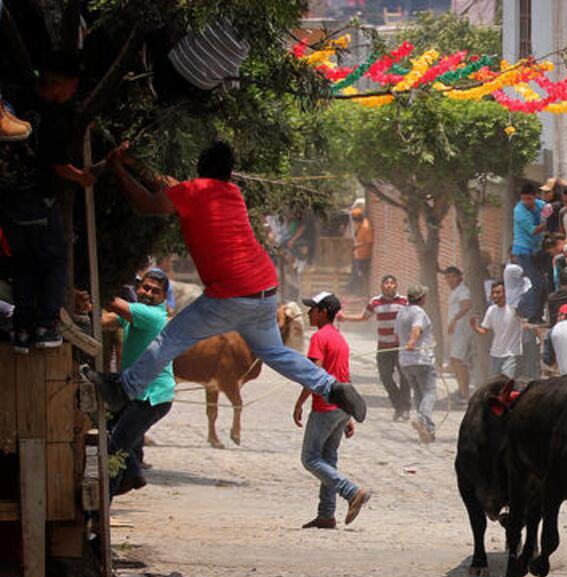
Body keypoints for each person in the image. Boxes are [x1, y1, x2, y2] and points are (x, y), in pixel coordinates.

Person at [85, 141, 367, 422]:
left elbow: (147, 203)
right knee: (274, 352)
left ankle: (123, 388)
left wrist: (117, 168)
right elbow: (170, 185)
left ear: (199, 168)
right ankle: (332, 386)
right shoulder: (231, 193)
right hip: (264, 290)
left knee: (170, 338)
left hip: (230, 294)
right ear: (229, 174)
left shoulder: (191, 192)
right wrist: (132, 163)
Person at [2, 52, 95, 352]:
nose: (72, 95)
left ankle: (22, 331)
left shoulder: (11, 96)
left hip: (7, 203)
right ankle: (45, 326)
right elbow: (58, 166)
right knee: (54, 261)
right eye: (71, 88)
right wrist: (81, 178)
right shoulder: (52, 118)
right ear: (59, 84)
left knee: (24, 265)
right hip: (37, 202)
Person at [293, 291, 370, 528]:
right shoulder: (339, 338)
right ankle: (326, 514)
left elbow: (314, 374)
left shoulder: (319, 338)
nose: (308, 313)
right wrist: (347, 416)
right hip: (340, 407)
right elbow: (343, 376)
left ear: (323, 312)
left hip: (325, 406)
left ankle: (352, 491)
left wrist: (299, 402)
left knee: (310, 458)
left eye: (312, 309)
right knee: (328, 458)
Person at [101, 270, 175, 498]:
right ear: (138, 288)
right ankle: (133, 474)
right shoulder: (138, 313)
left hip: (151, 397)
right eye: (145, 288)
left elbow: (112, 304)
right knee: (113, 435)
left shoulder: (151, 315)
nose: (149, 293)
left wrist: (91, 289)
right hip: (134, 391)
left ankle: (103, 507)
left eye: (155, 291)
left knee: (114, 449)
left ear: (163, 297)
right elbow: (107, 320)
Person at [341, 275, 411, 421]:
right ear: (381, 286)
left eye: (392, 283)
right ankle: (399, 405)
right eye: (386, 283)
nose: (389, 285)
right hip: (383, 346)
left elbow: (413, 320)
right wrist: (345, 317)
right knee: (385, 377)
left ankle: (405, 408)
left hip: (401, 347)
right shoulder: (375, 302)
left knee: (405, 378)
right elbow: (363, 317)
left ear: (396, 286)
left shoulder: (405, 302)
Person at [396, 285, 438, 443]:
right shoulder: (419, 312)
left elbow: (397, 333)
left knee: (419, 393)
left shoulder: (401, 312)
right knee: (430, 392)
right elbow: (417, 328)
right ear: (422, 298)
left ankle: (427, 429)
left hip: (405, 361)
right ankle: (423, 419)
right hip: (421, 359)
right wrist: (413, 341)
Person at [471, 281, 523, 378]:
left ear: (505, 293)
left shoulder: (514, 308)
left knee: (506, 383)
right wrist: (474, 327)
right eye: (493, 293)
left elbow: (525, 323)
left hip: (511, 354)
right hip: (495, 354)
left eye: (498, 292)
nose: (495, 295)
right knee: (494, 385)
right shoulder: (491, 310)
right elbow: (484, 331)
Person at [443, 266, 472, 402]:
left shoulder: (463, 290)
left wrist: (455, 320)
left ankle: (465, 394)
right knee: (456, 361)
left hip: (461, 330)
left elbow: (466, 305)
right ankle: (461, 390)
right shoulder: (455, 291)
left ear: (460, 277)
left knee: (458, 360)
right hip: (456, 332)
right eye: (448, 277)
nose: (450, 280)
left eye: (453, 277)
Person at [511, 183, 546, 282]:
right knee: (534, 281)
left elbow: (549, 208)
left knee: (541, 279)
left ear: (535, 196)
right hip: (523, 250)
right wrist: (546, 224)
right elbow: (533, 230)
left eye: (529, 198)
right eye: (524, 199)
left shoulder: (540, 204)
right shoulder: (519, 211)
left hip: (536, 248)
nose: (526, 202)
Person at [349, 207, 374, 296]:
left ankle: (362, 294)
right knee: (357, 274)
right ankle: (358, 292)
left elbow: (369, 241)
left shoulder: (365, 227)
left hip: (363, 256)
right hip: (358, 255)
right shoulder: (361, 224)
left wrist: (357, 246)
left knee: (361, 275)